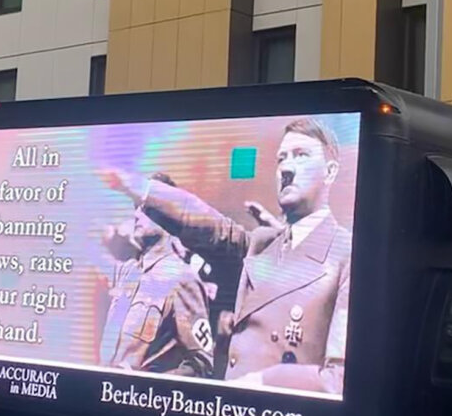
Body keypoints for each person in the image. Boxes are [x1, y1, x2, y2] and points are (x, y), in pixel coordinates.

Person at [101, 118, 351, 395]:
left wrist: (265, 380)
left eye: (301, 155)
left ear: (330, 171)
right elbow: (209, 225)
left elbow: (342, 379)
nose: (287, 168)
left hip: (283, 415)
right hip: (232, 410)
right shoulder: (262, 244)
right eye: (282, 158)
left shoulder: (347, 256)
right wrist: (138, 188)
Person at [99, 174, 215, 378]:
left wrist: (149, 384)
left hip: (139, 396)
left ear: (169, 214)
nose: (136, 215)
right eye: (135, 207)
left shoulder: (182, 278)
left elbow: (201, 365)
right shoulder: (128, 272)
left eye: (144, 208)